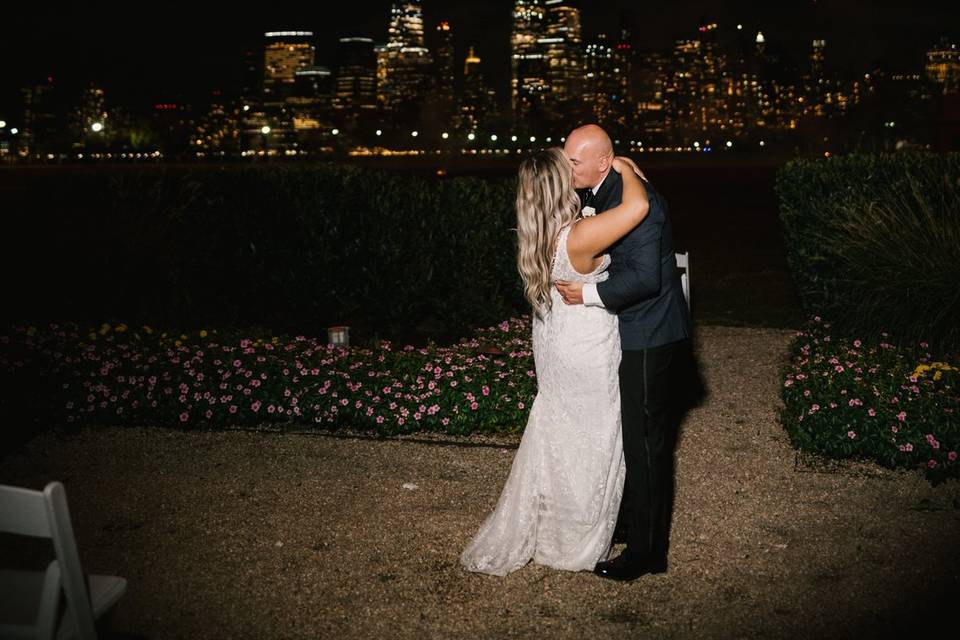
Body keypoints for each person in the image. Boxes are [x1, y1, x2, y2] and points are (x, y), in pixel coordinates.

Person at [459, 147, 649, 576]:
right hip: (585, 347)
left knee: (561, 430)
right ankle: (573, 539)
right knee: (594, 438)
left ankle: (552, 526)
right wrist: (621, 165)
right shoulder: (578, 236)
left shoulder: (537, 235)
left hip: (551, 342)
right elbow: (638, 205)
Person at [556, 124, 691, 581]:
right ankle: (635, 526)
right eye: (566, 155)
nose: (566, 164)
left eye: (574, 160)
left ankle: (646, 554)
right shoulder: (607, 185)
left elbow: (644, 281)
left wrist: (585, 296)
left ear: (601, 161)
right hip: (632, 332)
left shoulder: (637, 205)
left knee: (646, 445)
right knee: (632, 436)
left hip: (649, 335)